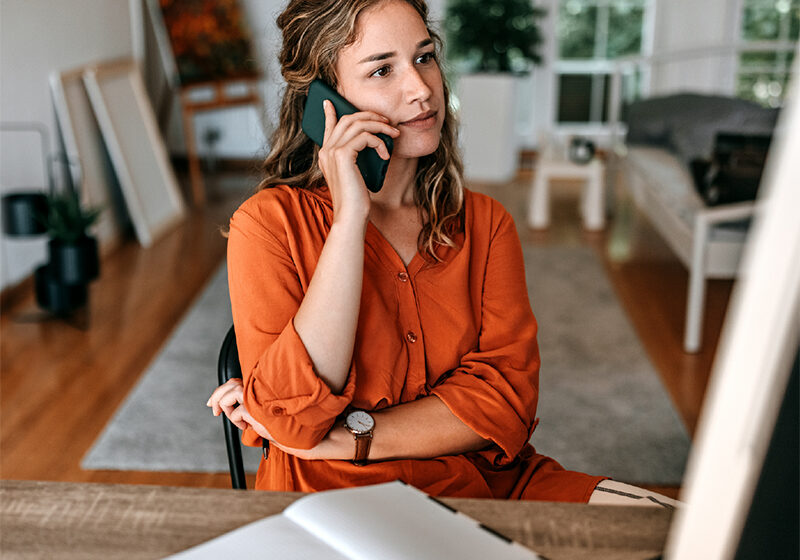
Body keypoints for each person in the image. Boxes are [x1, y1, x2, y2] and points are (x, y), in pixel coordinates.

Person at [207, 0, 678, 507]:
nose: (421, 89)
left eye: (424, 57)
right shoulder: (268, 224)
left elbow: (504, 401)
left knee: (679, 530)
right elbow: (290, 419)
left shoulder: (486, 224)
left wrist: (347, 436)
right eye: (382, 69)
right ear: (327, 100)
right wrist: (348, 223)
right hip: (333, 499)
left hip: (489, 488)